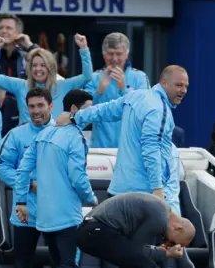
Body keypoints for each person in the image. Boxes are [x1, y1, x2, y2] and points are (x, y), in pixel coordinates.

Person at [11, 90, 97, 268]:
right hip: (67, 213)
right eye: (88, 108)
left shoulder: (44, 134)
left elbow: (22, 171)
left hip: (45, 215)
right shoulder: (76, 137)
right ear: (75, 110)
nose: (92, 113)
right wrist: (91, 198)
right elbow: (77, 176)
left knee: (60, 266)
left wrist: (20, 201)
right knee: (70, 267)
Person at [56, 65, 189, 199]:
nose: (184, 90)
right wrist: (158, 189)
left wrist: (74, 117)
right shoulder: (160, 109)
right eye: (179, 85)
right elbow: (151, 149)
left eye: (186, 86)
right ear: (164, 83)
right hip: (144, 195)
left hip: (117, 191)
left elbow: (104, 110)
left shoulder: (136, 96)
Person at [0, 87, 55, 268]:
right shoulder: (16, 135)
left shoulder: (63, 133)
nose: (36, 111)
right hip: (25, 213)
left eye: (40, 105)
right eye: (32, 106)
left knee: (63, 267)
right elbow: (2, 168)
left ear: (51, 105)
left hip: (56, 213)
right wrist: (30, 185)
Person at [0, 34, 92, 124]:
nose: (38, 69)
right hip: (26, 144)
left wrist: (84, 49)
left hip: (52, 142)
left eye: (42, 65)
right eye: (34, 65)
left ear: (50, 68)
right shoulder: (21, 86)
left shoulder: (62, 86)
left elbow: (87, 77)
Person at [83, 33, 149, 148]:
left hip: (131, 150)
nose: (114, 59)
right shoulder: (93, 78)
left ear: (126, 55)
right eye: (110, 54)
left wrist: (124, 89)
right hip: (100, 149)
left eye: (119, 54)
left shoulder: (140, 77)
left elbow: (145, 110)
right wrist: (98, 91)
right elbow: (83, 114)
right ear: (104, 55)